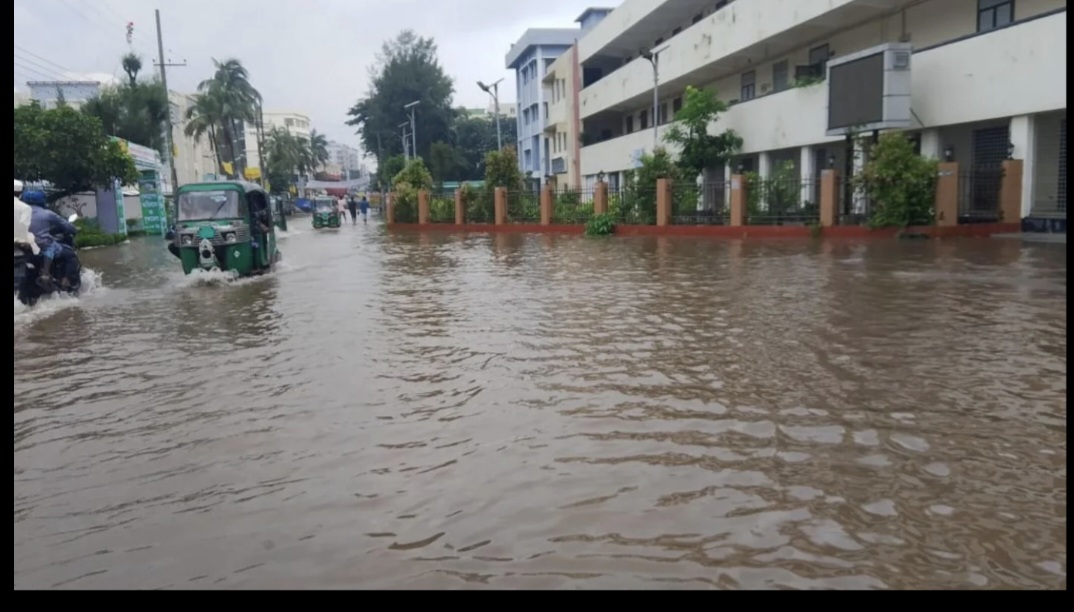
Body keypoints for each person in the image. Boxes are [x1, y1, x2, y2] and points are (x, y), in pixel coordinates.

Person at [23, 190, 77, 289]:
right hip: (44, 247)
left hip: (23, 248)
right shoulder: (46, 214)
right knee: (71, 255)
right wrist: (74, 229)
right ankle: (66, 281)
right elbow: (66, 225)